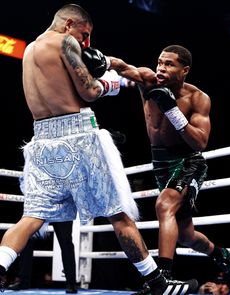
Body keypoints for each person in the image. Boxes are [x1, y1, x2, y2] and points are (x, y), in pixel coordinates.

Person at [0, 5, 198, 295]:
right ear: (69, 24)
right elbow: (89, 91)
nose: (86, 43)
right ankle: (157, 283)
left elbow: (68, 80)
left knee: (32, 217)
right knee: (118, 212)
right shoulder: (65, 41)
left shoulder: (30, 49)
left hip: (41, 142)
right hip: (78, 136)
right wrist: (112, 83)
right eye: (85, 34)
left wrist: (119, 72)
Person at [101, 44, 230, 292]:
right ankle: (223, 255)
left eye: (169, 64)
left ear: (184, 70)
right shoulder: (148, 81)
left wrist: (172, 110)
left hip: (188, 161)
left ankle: (161, 279)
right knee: (185, 236)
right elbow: (120, 65)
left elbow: (201, 142)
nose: (161, 68)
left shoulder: (198, 98)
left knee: (164, 205)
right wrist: (98, 59)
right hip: (160, 163)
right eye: (160, 62)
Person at [8, 221, 77, 293]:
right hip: (40, 210)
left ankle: (71, 284)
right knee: (26, 237)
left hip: (62, 211)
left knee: (66, 242)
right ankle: (23, 281)